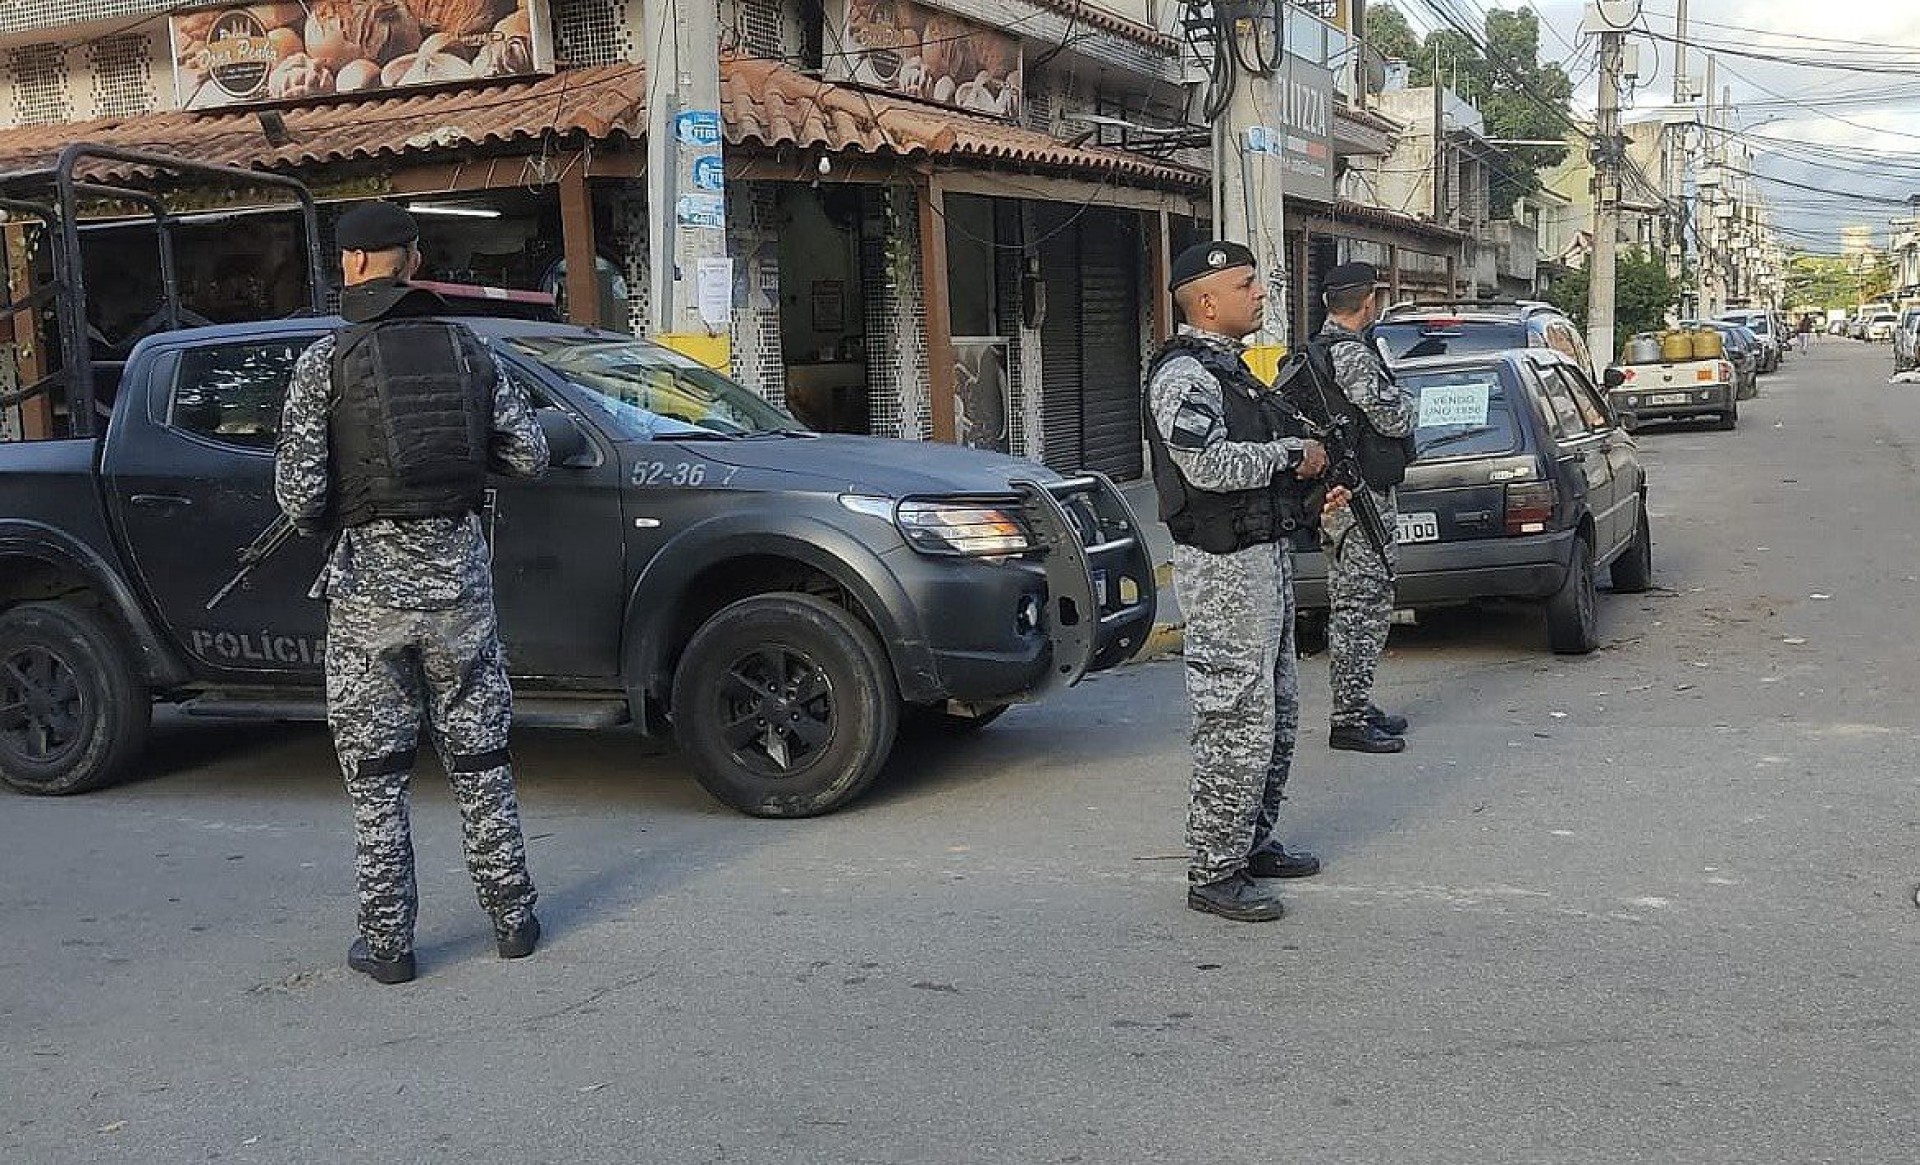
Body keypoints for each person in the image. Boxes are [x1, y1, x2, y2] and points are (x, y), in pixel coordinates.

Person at [275, 201, 550, 984]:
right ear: (415, 260)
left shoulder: (322, 363)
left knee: (376, 777)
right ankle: (514, 920)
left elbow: (298, 498)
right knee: (483, 759)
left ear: (352, 265)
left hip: (368, 600)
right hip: (461, 589)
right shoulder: (470, 349)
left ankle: (389, 944)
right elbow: (527, 456)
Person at [1144, 241, 1350, 923]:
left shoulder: (1229, 372)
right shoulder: (1184, 376)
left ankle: (1251, 840)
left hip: (1262, 560)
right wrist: (1291, 454)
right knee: (1235, 718)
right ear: (1206, 302)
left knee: (1277, 712)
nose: (1260, 293)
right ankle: (1214, 868)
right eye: (1246, 283)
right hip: (1223, 570)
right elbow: (1206, 467)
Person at [1308, 262, 1415, 754]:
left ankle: (1356, 700)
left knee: (1356, 600)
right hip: (1359, 499)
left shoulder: (1323, 351)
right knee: (1362, 605)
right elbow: (1394, 418)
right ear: (1368, 301)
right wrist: (1409, 403)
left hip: (1346, 495)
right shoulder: (1350, 355)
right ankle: (1348, 716)